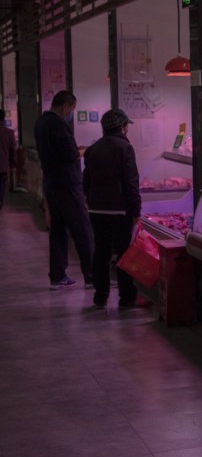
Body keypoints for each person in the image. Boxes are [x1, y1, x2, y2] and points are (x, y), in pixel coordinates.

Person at [33, 90, 94, 290]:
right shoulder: (59, 124)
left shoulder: (41, 123)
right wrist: (83, 151)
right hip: (68, 185)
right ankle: (92, 276)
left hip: (52, 183)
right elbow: (69, 154)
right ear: (66, 106)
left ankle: (57, 276)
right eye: (73, 109)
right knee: (83, 230)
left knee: (58, 230)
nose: (72, 113)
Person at [83, 109, 142, 308]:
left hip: (96, 210)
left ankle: (100, 295)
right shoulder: (125, 148)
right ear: (123, 127)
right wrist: (136, 210)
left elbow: (86, 180)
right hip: (119, 210)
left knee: (101, 251)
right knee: (123, 253)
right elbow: (131, 182)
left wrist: (90, 201)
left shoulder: (92, 149)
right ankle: (126, 297)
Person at [0, 109, 15, 210]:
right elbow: (12, 150)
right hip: (2, 165)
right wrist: (13, 164)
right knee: (1, 185)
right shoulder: (9, 133)